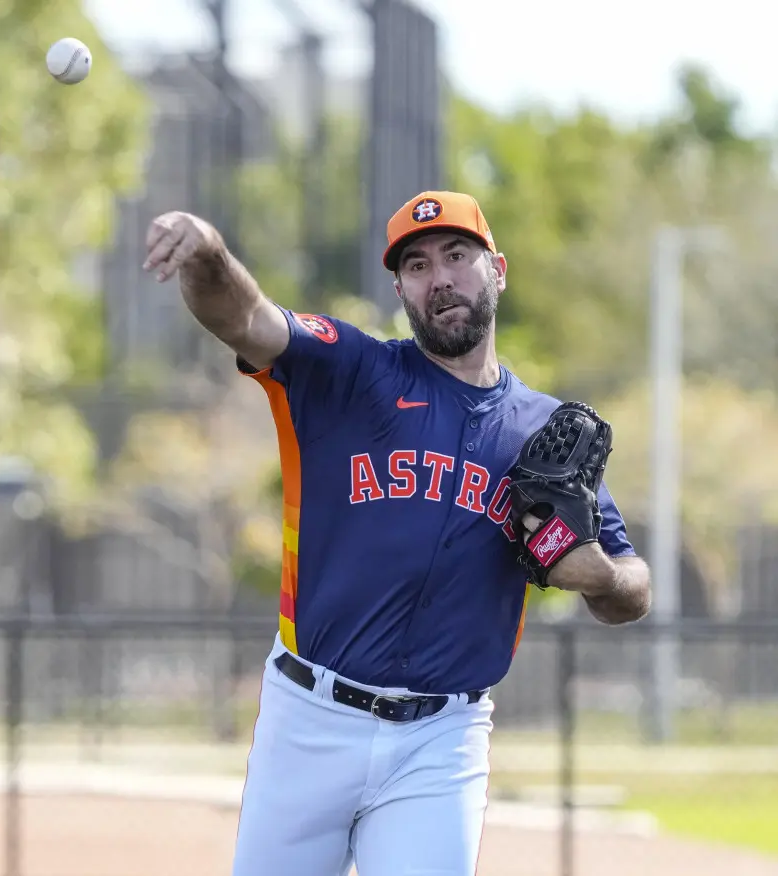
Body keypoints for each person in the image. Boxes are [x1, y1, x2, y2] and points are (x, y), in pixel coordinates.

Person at [142, 191, 651, 876]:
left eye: (456, 255)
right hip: (309, 721)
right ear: (400, 288)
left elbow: (632, 584)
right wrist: (208, 251)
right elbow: (248, 318)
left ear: (497, 269)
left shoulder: (545, 432)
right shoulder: (352, 372)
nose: (439, 277)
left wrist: (604, 577)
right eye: (415, 264)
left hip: (441, 739)